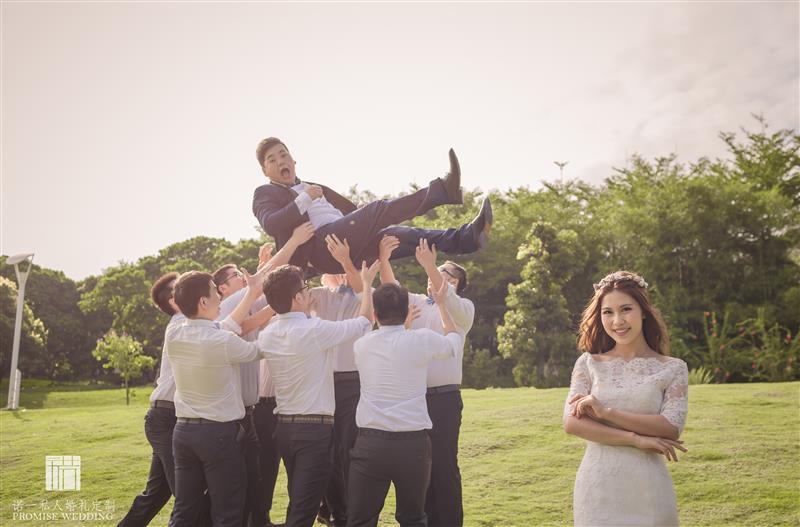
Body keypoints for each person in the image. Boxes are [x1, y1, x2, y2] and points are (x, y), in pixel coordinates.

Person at [251, 137, 492, 276]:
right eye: (272, 160)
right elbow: (271, 224)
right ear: (265, 171)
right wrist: (304, 199)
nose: (280, 160)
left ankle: (467, 238)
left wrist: (359, 214)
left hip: (346, 241)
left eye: (283, 155)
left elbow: (350, 212)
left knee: (403, 237)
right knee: (377, 210)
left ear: (293, 160)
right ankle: (441, 191)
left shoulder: (314, 186)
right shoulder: (265, 193)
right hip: (323, 248)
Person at [257, 261, 380, 527]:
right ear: (298, 297)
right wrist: (368, 284)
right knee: (304, 508)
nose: (309, 291)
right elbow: (362, 324)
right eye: (305, 287)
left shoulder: (268, 334)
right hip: (313, 430)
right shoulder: (314, 330)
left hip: (285, 428)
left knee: (298, 500)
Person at [563, 271, 689, 527]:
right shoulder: (588, 364)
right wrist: (636, 439)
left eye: (626, 309)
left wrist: (606, 412)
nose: (617, 321)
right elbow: (572, 423)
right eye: (607, 312)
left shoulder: (673, 368)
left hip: (649, 487)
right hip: (598, 487)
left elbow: (670, 427)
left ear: (643, 311)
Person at [211, 224, 315, 527]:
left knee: (258, 475)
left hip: (254, 409)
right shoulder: (225, 313)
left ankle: (261, 520)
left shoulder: (238, 308)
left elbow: (261, 292)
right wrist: (294, 240)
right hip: (236, 414)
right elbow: (259, 294)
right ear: (223, 290)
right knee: (245, 480)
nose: (244, 280)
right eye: (236, 278)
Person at [347, 280, 464, 527]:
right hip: (413, 446)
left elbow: (385, 338)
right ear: (406, 311)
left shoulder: (361, 345)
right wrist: (442, 306)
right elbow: (454, 341)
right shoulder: (421, 340)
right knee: (413, 519)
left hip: (371, 443)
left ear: (376, 314)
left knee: (360, 520)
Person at [379, 238, 473, 527]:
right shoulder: (417, 302)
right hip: (415, 398)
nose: (439, 277)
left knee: (444, 466)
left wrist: (432, 266)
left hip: (444, 400)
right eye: (437, 272)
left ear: (457, 283)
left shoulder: (463, 309)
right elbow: (390, 290)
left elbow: (444, 294)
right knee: (418, 467)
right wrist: (384, 259)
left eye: (447, 274)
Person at [166, 269, 268, 527]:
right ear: (203, 302)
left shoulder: (175, 333)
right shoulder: (221, 341)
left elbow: (226, 326)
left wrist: (253, 292)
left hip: (183, 434)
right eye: (215, 293)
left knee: (184, 511)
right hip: (218, 436)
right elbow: (258, 351)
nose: (219, 300)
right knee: (227, 513)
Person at [117, 272, 196, 527]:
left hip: (169, 416)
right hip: (165, 418)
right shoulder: (181, 323)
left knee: (156, 494)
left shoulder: (190, 320)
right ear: (174, 301)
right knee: (187, 496)